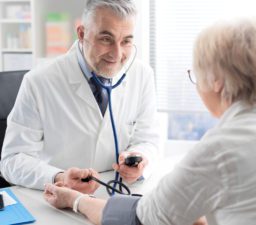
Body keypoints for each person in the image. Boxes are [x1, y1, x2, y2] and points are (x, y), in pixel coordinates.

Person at [44, 16, 256, 225]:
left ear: (217, 82)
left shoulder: (221, 149)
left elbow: (141, 218)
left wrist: (75, 200)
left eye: (196, 75)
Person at [0, 0, 160, 192]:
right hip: (59, 197)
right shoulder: (39, 81)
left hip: (119, 192)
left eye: (126, 41)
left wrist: (140, 159)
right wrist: (58, 177)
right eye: (106, 39)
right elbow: (12, 160)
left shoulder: (142, 75)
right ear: (82, 34)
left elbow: (148, 139)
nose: (117, 54)